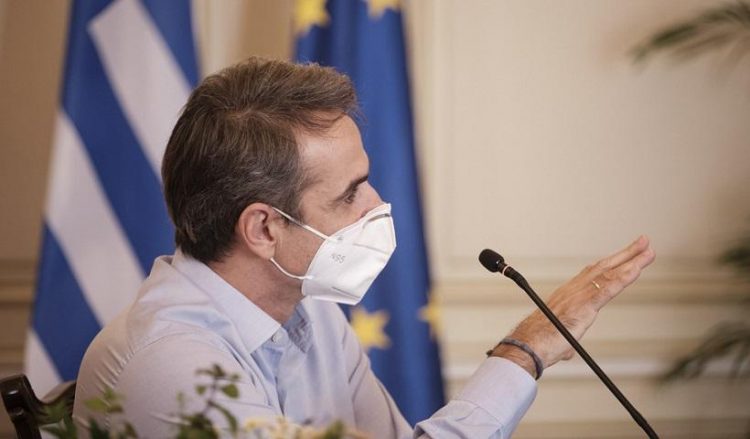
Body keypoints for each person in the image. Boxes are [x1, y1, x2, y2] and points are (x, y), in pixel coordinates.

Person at [73, 57, 655, 438]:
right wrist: (527, 349)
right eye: (350, 193)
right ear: (264, 229)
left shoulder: (312, 313)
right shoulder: (171, 363)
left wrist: (530, 348)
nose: (377, 204)